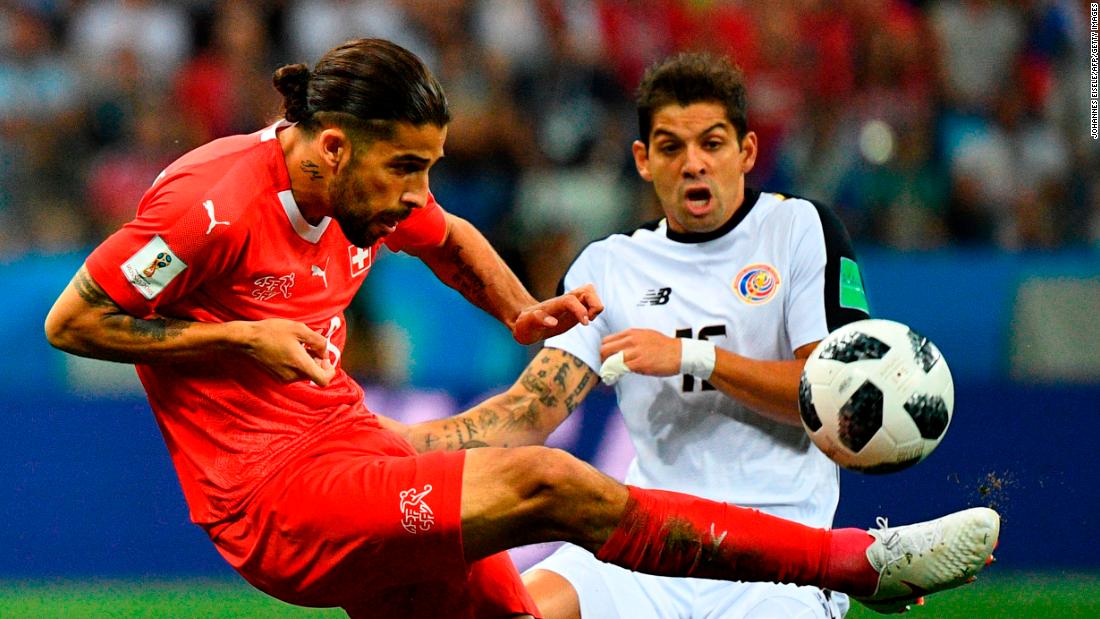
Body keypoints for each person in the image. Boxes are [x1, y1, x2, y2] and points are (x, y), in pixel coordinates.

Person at [45, 39, 998, 619]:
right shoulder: (207, 209)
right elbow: (74, 320)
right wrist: (235, 339)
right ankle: (863, 562)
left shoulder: (358, 187)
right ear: (334, 147)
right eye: (407, 169)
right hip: (274, 503)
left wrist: (518, 310)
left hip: (344, 449)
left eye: (430, 166)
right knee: (550, 485)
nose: (418, 195)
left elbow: (449, 236)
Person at [392, 52, 994, 618]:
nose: (693, 162)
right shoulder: (609, 265)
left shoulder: (798, 228)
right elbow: (527, 414)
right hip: (645, 543)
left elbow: (828, 401)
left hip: (780, 548)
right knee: (516, 609)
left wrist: (694, 356)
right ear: (642, 160)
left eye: (712, 143)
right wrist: (388, 445)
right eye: (670, 146)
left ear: (747, 150)